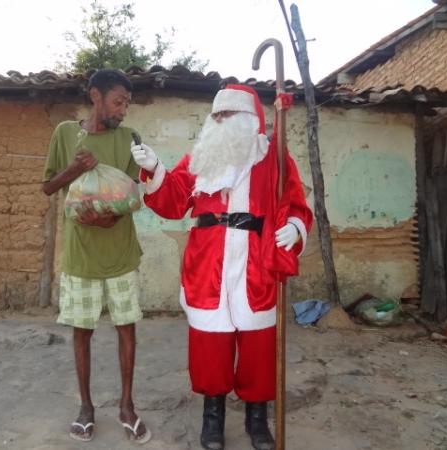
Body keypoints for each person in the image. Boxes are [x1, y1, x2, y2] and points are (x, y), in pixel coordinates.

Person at [130, 84, 313, 450]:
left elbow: (294, 201)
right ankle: (212, 419)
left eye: (229, 114)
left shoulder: (273, 157)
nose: (221, 121)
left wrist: (294, 227)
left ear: (250, 120)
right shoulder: (201, 158)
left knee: (260, 346)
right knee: (210, 346)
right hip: (208, 263)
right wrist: (155, 170)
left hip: (255, 262)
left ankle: (257, 419)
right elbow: (174, 200)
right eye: (217, 115)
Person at [42, 69, 150, 445]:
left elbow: (134, 195)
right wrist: (75, 169)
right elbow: (48, 186)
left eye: (127, 104)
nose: (122, 110)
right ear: (96, 97)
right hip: (81, 256)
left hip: (120, 252)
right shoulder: (66, 135)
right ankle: (85, 407)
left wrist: (110, 220)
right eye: (118, 101)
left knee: (127, 330)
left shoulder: (129, 140)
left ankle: (126, 405)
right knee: (82, 333)